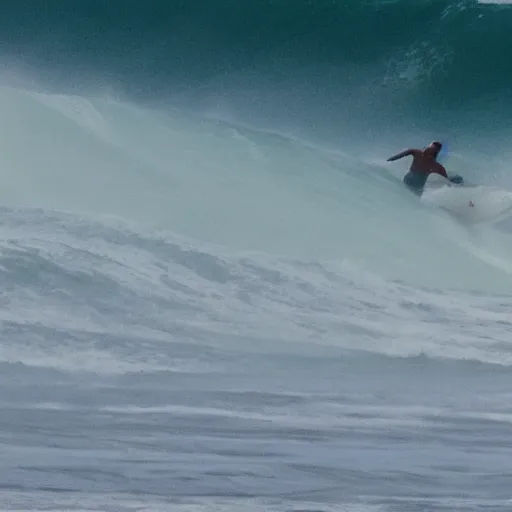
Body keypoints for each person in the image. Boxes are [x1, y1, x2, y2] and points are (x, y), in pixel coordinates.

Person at [387, 141, 462, 196]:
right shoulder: (417, 153)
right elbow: (399, 155)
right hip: (412, 183)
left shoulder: (437, 167)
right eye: (428, 149)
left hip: (415, 186)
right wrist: (389, 160)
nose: (427, 153)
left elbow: (447, 182)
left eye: (431, 151)